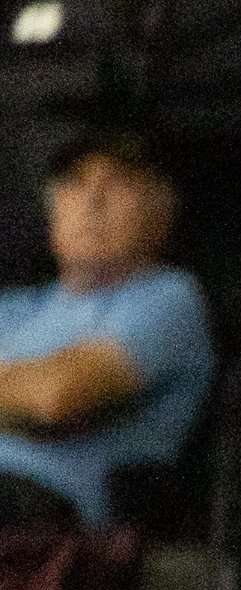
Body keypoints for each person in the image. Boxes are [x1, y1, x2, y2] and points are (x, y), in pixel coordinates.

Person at [0, 128, 212, 531]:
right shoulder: (11, 309)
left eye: (118, 183)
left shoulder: (167, 298)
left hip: (44, 514)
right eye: (74, 184)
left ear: (160, 214)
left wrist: (28, 386)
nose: (92, 200)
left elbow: (54, 398)